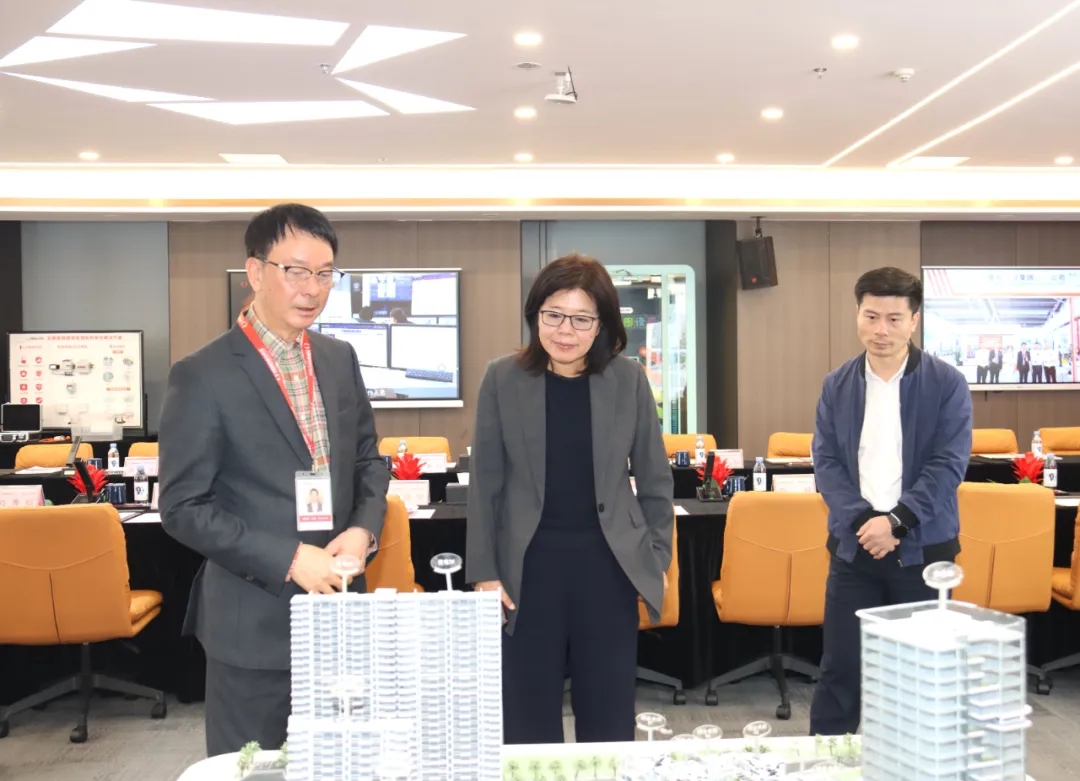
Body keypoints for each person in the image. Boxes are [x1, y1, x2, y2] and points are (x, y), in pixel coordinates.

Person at [158, 203, 389, 757]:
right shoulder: (202, 374)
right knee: (254, 768)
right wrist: (289, 558)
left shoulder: (339, 358)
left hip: (339, 611)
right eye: (296, 271)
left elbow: (368, 461)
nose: (313, 288)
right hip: (253, 623)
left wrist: (363, 532)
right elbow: (183, 506)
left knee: (342, 763)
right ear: (256, 272)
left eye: (325, 273)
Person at [466, 253, 674, 745]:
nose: (565, 330)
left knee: (608, 717)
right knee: (526, 719)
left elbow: (655, 479)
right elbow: (485, 484)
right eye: (553, 315)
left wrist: (656, 558)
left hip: (609, 569)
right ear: (535, 314)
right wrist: (485, 573)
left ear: (601, 324)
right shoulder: (502, 378)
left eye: (581, 319)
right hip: (526, 571)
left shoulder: (628, 380)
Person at [808, 266, 973, 736]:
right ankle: (826, 764)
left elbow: (948, 464)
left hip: (923, 554)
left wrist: (896, 522)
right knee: (840, 672)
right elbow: (826, 462)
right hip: (855, 551)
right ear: (858, 314)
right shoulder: (837, 384)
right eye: (871, 316)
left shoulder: (946, 383)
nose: (881, 330)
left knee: (921, 679)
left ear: (914, 320)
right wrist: (866, 522)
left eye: (894, 319)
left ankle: (914, 765)